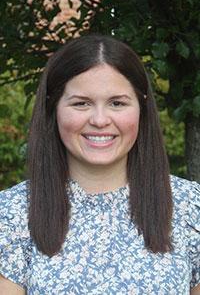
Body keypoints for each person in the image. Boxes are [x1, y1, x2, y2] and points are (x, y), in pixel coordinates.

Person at [0, 34, 199, 295]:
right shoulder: (11, 214)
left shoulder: (190, 208)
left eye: (117, 103)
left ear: (142, 108)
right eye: (81, 103)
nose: (100, 119)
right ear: (53, 108)